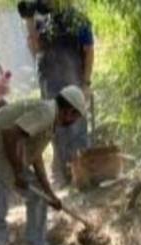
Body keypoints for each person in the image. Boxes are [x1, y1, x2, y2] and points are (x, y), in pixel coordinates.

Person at [0, 85, 86, 245]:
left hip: (4, 154)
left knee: (39, 196)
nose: (75, 121)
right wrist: (18, 173)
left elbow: (35, 156)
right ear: (70, 111)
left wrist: (49, 194)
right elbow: (10, 135)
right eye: (76, 116)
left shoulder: (51, 118)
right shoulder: (46, 113)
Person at [18, 0, 94, 188]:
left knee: (77, 129)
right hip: (50, 85)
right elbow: (36, 51)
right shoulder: (43, 24)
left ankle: (82, 175)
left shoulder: (79, 20)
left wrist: (86, 83)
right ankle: (65, 176)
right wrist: (29, 21)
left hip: (74, 82)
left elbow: (89, 51)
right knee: (55, 130)